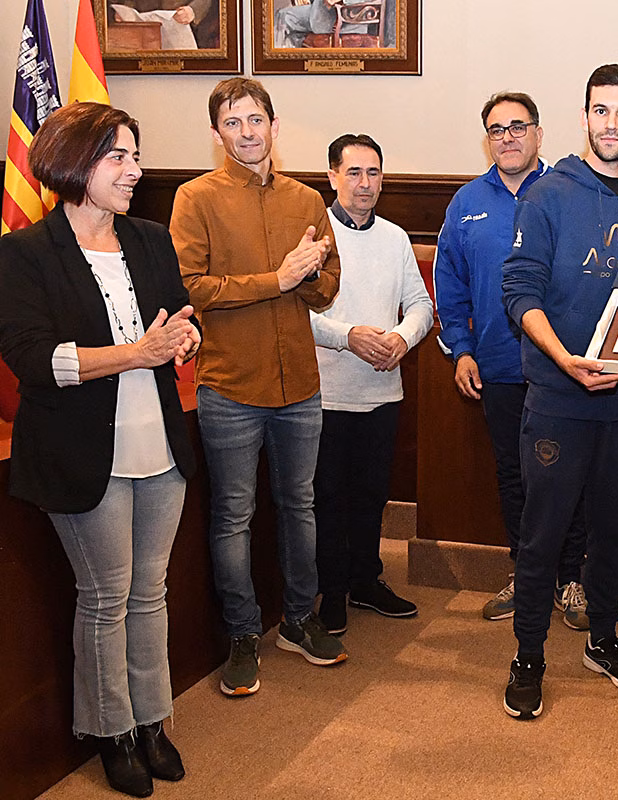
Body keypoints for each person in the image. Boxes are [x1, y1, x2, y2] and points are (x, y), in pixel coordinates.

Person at [0, 102, 200, 797]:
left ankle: (152, 720)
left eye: (135, 155)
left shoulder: (148, 238)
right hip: (83, 454)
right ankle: (112, 731)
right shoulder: (23, 253)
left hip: (161, 447)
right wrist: (134, 353)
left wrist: (184, 336)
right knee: (106, 595)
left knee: (151, 593)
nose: (135, 169)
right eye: (119, 156)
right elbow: (33, 359)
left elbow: (180, 312)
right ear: (73, 164)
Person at [499, 64, 618, 720]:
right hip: (558, 396)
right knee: (543, 535)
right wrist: (564, 358)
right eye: (601, 110)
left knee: (611, 532)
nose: (611, 124)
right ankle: (528, 656)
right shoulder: (547, 195)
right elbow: (519, 293)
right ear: (585, 116)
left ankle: (602, 639)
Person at [170, 77, 346, 698]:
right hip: (230, 387)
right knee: (233, 516)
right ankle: (243, 634)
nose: (247, 132)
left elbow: (326, 288)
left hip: (299, 384)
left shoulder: (304, 199)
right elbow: (191, 289)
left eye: (256, 119)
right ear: (218, 132)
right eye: (233, 122)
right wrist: (276, 278)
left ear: (274, 125)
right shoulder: (196, 198)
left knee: (301, 507)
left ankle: (299, 619)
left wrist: (304, 275)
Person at [434, 91, 589, 629]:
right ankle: (525, 572)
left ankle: (570, 578)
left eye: (518, 127)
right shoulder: (465, 203)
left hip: (561, 367)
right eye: (497, 129)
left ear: (539, 134)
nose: (508, 137)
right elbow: (449, 283)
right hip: (497, 366)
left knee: (567, 475)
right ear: (487, 139)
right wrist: (461, 348)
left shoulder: (570, 194)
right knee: (513, 475)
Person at [311, 133, 433, 635]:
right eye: (354, 173)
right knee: (328, 498)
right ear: (333, 177)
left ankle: (366, 579)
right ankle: (332, 590)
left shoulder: (395, 237)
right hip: (326, 393)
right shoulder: (311, 235)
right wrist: (348, 337)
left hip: (382, 392)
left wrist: (402, 339)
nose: (365, 184)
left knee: (372, 495)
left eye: (374, 173)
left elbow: (422, 305)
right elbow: (292, 314)